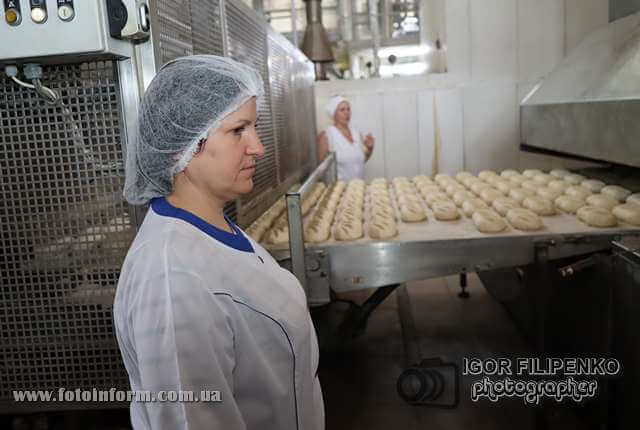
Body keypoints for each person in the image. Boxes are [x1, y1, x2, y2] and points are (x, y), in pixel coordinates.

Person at [114, 55, 324, 430]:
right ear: (183, 146)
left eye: (254, 127)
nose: (257, 147)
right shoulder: (172, 281)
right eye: (238, 130)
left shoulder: (214, 227)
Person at [316, 95, 375, 181]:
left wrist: (370, 149)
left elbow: (359, 161)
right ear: (334, 114)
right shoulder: (327, 135)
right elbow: (320, 170)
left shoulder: (356, 133)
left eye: (348, 109)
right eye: (342, 110)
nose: (347, 113)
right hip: (339, 190)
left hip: (358, 188)